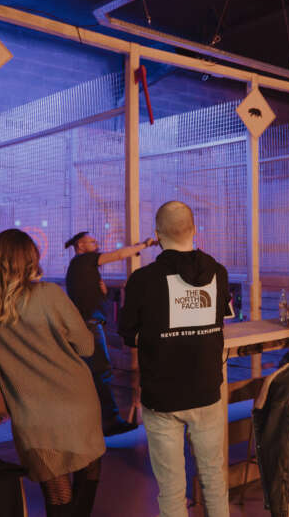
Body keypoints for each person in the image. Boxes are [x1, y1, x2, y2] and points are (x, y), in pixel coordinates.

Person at [0, 229, 105, 516]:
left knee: (57, 489)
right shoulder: (49, 294)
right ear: (30, 259)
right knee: (89, 468)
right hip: (78, 400)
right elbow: (86, 347)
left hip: (32, 412)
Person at [118, 201, 230, 517]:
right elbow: (220, 319)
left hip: (162, 396)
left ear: (157, 235)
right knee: (214, 479)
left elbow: (127, 333)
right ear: (193, 230)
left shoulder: (143, 280)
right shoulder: (218, 273)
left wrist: (156, 335)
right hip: (207, 390)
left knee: (171, 490)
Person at [64, 230, 155, 436]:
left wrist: (102, 292)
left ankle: (89, 421)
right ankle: (110, 421)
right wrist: (144, 245)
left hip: (85, 324)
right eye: (91, 241)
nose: (96, 243)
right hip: (90, 325)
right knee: (101, 371)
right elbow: (119, 255)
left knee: (91, 373)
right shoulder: (85, 260)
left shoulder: (78, 266)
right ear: (80, 246)